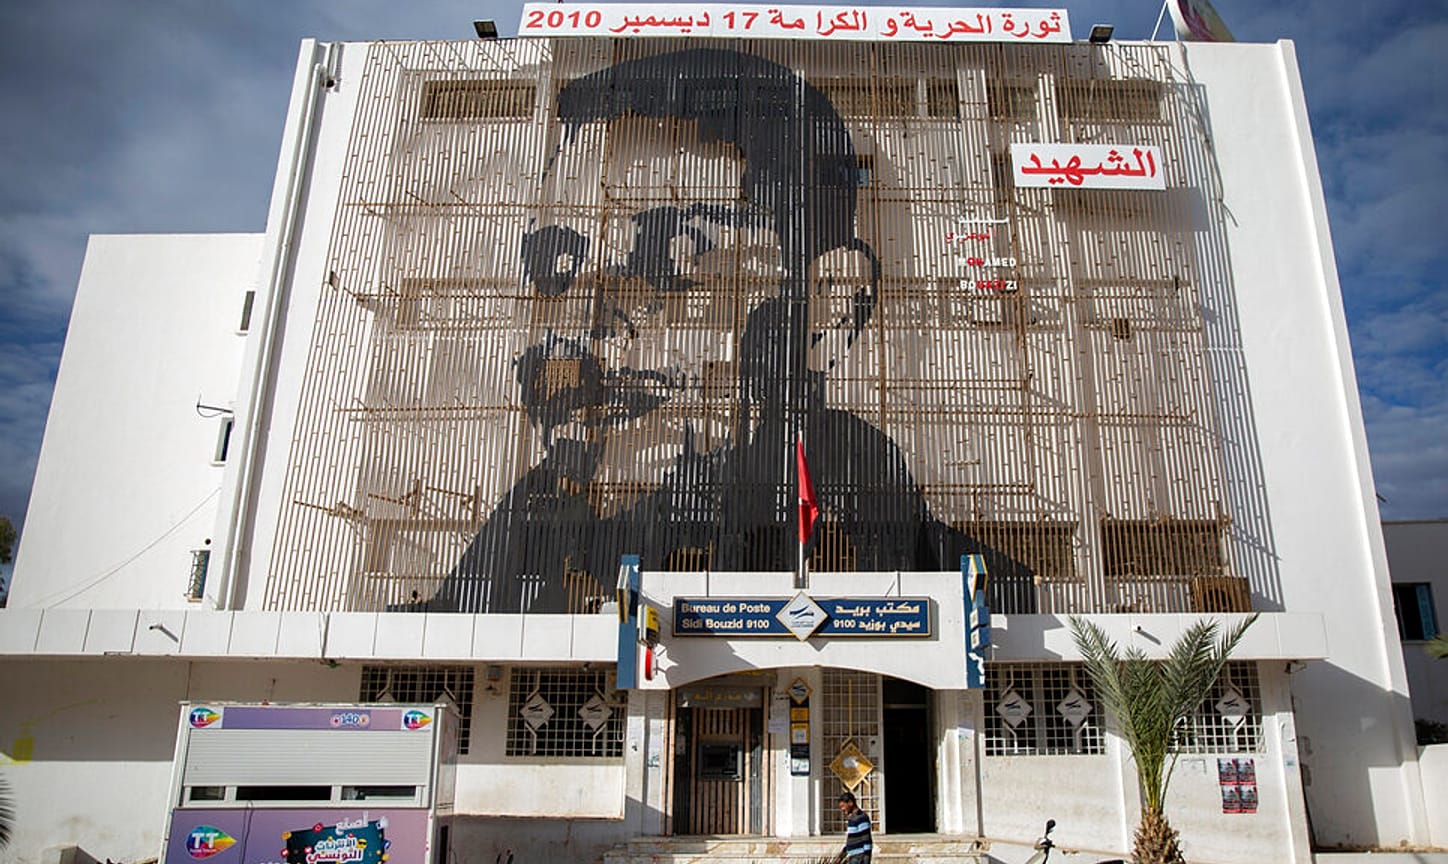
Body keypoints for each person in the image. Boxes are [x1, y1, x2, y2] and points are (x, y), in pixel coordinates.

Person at [412, 48, 1035, 614]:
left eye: (666, 276)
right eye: (568, 283)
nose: (583, 349)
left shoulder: (859, 491)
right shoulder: (539, 518)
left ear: (830, 313)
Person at [836, 791, 872, 864]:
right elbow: (851, 840)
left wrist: (866, 859)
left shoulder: (861, 818)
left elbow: (867, 840)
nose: (842, 809)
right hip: (853, 856)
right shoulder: (852, 818)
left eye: (843, 806)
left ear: (850, 803)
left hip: (859, 857)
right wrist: (841, 856)